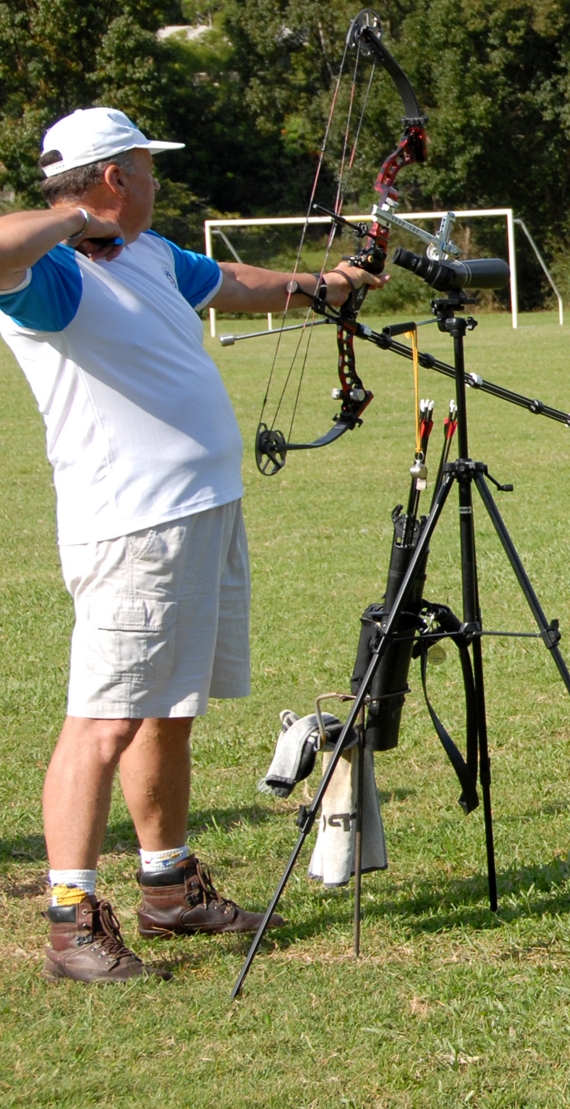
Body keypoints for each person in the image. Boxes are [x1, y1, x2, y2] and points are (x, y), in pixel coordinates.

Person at [0, 107, 386, 983]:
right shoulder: (50, 273)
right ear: (113, 179)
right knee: (103, 720)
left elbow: (233, 282)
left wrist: (326, 285)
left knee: (169, 709)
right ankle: (69, 920)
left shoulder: (152, 255)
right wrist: (75, 220)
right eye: (144, 167)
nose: (155, 180)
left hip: (201, 511)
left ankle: (168, 885)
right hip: (132, 525)